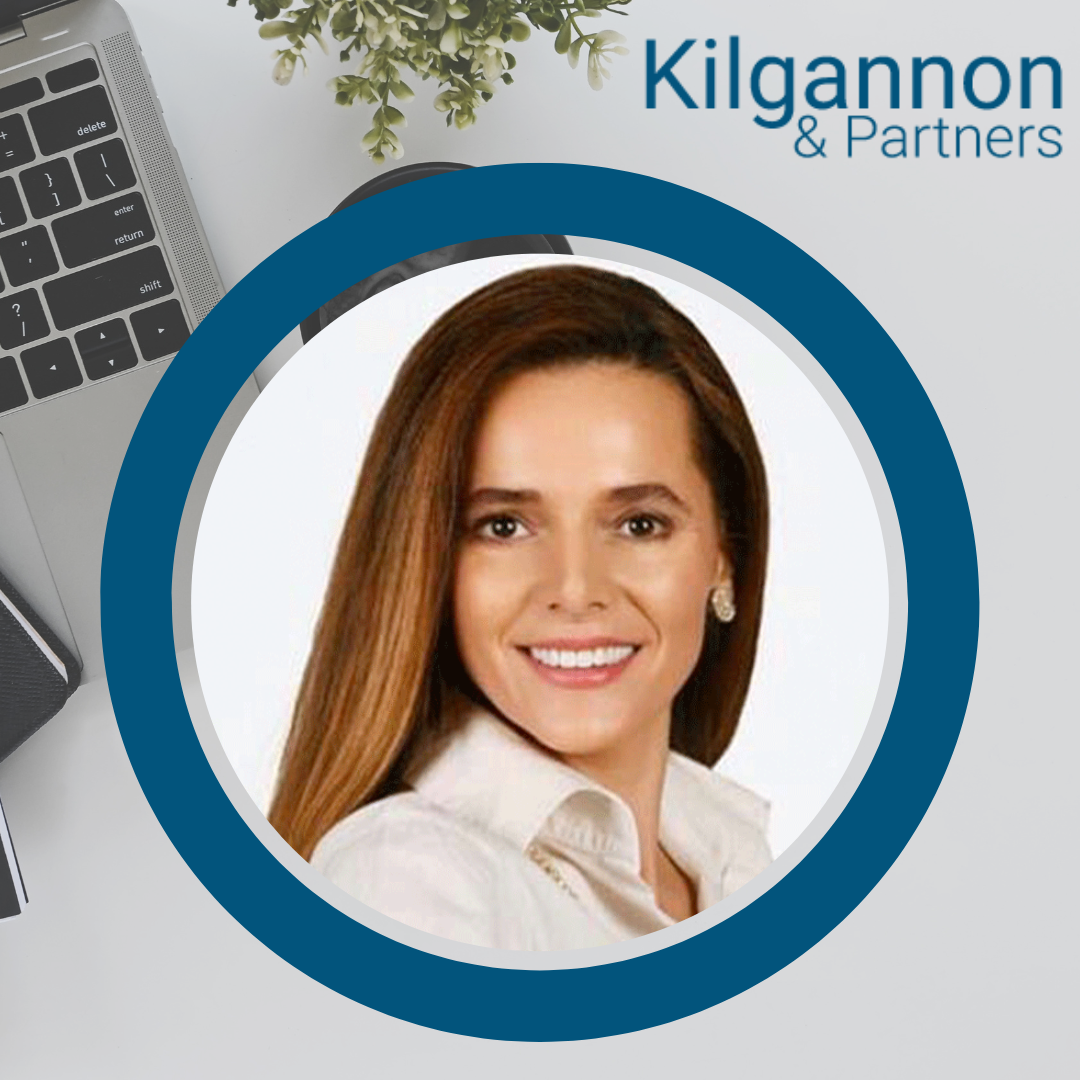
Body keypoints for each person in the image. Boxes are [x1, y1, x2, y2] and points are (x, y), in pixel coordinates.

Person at [270, 264, 772, 950]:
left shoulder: (728, 854)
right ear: (428, 565)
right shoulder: (411, 883)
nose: (574, 587)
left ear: (725, 555)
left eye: (639, 524)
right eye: (504, 525)